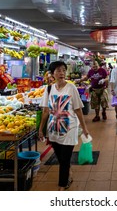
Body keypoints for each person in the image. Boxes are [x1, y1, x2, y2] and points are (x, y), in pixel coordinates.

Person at [38, 61, 89, 191]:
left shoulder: (71, 88)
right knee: (61, 158)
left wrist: (84, 128)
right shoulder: (49, 89)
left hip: (69, 129)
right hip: (54, 130)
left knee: (65, 159)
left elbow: (78, 109)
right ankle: (68, 174)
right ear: (52, 74)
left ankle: (62, 185)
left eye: (63, 70)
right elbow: (45, 111)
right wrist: (41, 129)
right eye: (58, 70)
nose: (62, 73)